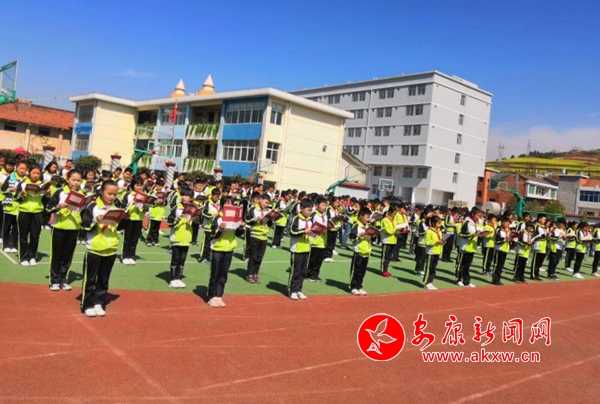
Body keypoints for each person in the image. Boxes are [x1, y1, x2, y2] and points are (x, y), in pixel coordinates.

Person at [80, 180, 123, 317]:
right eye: (109, 193)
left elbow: (120, 227)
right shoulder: (92, 206)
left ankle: (99, 302)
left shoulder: (117, 207)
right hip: (95, 249)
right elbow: (84, 225)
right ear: (101, 192)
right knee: (90, 279)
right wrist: (95, 221)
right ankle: (87, 304)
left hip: (111, 249)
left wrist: (125, 219)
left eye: (115, 194)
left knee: (104, 279)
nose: (112, 197)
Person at [46, 169, 84, 290]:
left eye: (79, 180)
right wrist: (58, 206)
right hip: (59, 227)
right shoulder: (60, 192)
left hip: (74, 228)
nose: (76, 183)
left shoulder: (83, 195)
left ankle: (63, 279)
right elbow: (48, 208)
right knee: (56, 255)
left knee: (68, 255)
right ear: (68, 180)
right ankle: (54, 280)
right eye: (73, 180)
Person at [206, 196, 246, 307]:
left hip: (229, 249)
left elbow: (238, 234)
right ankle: (212, 296)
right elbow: (212, 234)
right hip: (217, 248)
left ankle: (219, 295)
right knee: (215, 273)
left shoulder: (235, 218)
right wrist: (221, 229)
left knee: (224, 274)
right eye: (227, 204)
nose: (229, 206)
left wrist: (241, 227)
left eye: (231, 204)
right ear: (222, 206)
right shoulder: (218, 218)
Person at [15, 163, 46, 266]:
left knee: (35, 236)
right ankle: (23, 257)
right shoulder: (23, 183)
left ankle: (32, 256)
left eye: (38, 173)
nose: (36, 175)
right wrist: (21, 194)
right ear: (29, 172)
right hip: (24, 211)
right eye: (34, 173)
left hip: (38, 212)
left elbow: (47, 201)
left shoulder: (43, 185)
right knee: (23, 236)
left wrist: (48, 193)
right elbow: (16, 198)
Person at [166, 187, 195, 288]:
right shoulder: (176, 208)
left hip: (186, 238)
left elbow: (197, 223)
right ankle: (173, 279)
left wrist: (196, 219)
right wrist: (177, 220)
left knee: (182, 260)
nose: (184, 197)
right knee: (175, 259)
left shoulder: (193, 209)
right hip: (177, 237)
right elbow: (169, 222)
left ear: (191, 198)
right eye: (182, 195)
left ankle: (178, 278)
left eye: (186, 196)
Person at [288, 198, 314, 300]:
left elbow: (311, 232)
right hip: (297, 249)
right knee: (295, 271)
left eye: (311, 210)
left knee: (303, 271)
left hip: (306, 248)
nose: (310, 212)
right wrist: (304, 231)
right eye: (308, 210)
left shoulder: (310, 220)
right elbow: (292, 232)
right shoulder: (297, 218)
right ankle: (292, 290)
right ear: (302, 208)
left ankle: (299, 289)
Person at [245, 194, 273, 283]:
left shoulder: (268, 211)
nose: (267, 205)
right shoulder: (253, 209)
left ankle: (255, 273)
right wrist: (256, 218)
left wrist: (271, 218)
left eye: (268, 203)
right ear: (260, 200)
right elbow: (247, 220)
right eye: (266, 202)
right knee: (253, 256)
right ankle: (249, 274)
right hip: (254, 235)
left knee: (259, 257)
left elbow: (270, 225)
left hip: (264, 237)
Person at [120, 175, 145, 265]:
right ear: (133, 185)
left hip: (139, 219)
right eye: (137, 185)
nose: (139, 187)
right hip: (129, 218)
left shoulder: (144, 195)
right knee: (128, 238)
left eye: (141, 185)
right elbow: (122, 205)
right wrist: (130, 203)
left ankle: (131, 256)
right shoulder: (128, 194)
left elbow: (146, 209)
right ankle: (125, 256)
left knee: (135, 239)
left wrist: (146, 206)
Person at [1, 160, 25, 254]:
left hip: (20, 207)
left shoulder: (26, 179)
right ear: (16, 168)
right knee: (6, 226)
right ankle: (6, 245)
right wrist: (9, 189)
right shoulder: (11, 177)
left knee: (16, 228)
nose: (22, 170)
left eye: (24, 169)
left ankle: (14, 245)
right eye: (21, 168)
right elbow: (3, 189)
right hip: (9, 206)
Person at [348, 207, 374, 296]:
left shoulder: (368, 226)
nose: (368, 219)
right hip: (358, 251)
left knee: (362, 271)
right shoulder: (356, 225)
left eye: (369, 217)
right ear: (360, 216)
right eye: (367, 217)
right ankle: (353, 287)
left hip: (366, 251)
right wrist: (360, 235)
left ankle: (359, 286)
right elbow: (352, 237)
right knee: (356, 270)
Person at [456, 207, 483, 288]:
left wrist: (482, 233)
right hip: (464, 246)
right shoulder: (467, 222)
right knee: (461, 264)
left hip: (472, 247)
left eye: (480, 216)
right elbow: (461, 234)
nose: (479, 217)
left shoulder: (477, 222)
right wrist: (472, 234)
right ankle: (458, 279)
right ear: (473, 214)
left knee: (467, 265)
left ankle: (466, 281)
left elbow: (479, 230)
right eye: (478, 215)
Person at [306, 197, 328, 282]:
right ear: (317, 205)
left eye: (325, 205)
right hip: (314, 240)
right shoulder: (313, 215)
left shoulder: (325, 215)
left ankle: (315, 274)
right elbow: (310, 226)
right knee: (312, 259)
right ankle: (309, 274)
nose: (324, 207)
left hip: (322, 241)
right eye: (322, 205)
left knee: (319, 260)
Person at [422, 215, 445, 291]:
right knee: (429, 268)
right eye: (438, 223)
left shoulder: (439, 231)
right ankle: (427, 283)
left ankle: (430, 282)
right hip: (431, 252)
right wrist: (436, 242)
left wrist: (443, 242)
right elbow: (427, 242)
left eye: (440, 223)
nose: (439, 224)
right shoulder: (429, 231)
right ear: (433, 223)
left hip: (437, 252)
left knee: (433, 269)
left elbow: (440, 241)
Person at [199, 188, 221, 264]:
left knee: (213, 243)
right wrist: (213, 216)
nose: (217, 198)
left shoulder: (219, 203)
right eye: (216, 196)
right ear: (212, 195)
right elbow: (204, 213)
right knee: (206, 243)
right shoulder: (207, 203)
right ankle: (202, 257)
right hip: (208, 227)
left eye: (218, 197)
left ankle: (209, 257)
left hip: (216, 227)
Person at [146, 179, 166, 247]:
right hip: (153, 213)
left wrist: (163, 202)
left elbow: (165, 203)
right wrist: (156, 202)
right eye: (158, 185)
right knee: (151, 228)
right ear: (156, 185)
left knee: (157, 228)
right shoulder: (152, 192)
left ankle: (155, 240)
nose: (159, 187)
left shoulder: (163, 194)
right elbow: (149, 202)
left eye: (161, 186)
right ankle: (149, 240)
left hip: (160, 213)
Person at [379, 203, 398, 277]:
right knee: (385, 256)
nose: (395, 215)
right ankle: (383, 270)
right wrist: (396, 230)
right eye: (394, 213)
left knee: (389, 257)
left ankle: (386, 270)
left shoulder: (393, 220)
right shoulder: (385, 220)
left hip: (393, 240)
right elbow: (388, 231)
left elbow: (394, 229)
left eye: (396, 213)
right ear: (389, 212)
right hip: (386, 240)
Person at [493, 217, 512, 286]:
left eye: (509, 224)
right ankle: (495, 279)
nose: (508, 225)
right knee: (497, 265)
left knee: (501, 266)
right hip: (499, 249)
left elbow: (508, 239)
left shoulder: (508, 230)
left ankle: (498, 279)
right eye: (507, 224)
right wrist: (505, 239)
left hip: (505, 249)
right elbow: (496, 240)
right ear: (503, 223)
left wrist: (510, 239)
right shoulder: (499, 229)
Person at [530, 214, 547, 282]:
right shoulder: (536, 226)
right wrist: (541, 236)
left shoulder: (543, 227)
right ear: (539, 219)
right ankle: (533, 275)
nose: (544, 221)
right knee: (535, 262)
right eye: (544, 219)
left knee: (539, 262)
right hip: (537, 245)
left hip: (543, 246)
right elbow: (534, 236)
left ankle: (537, 274)